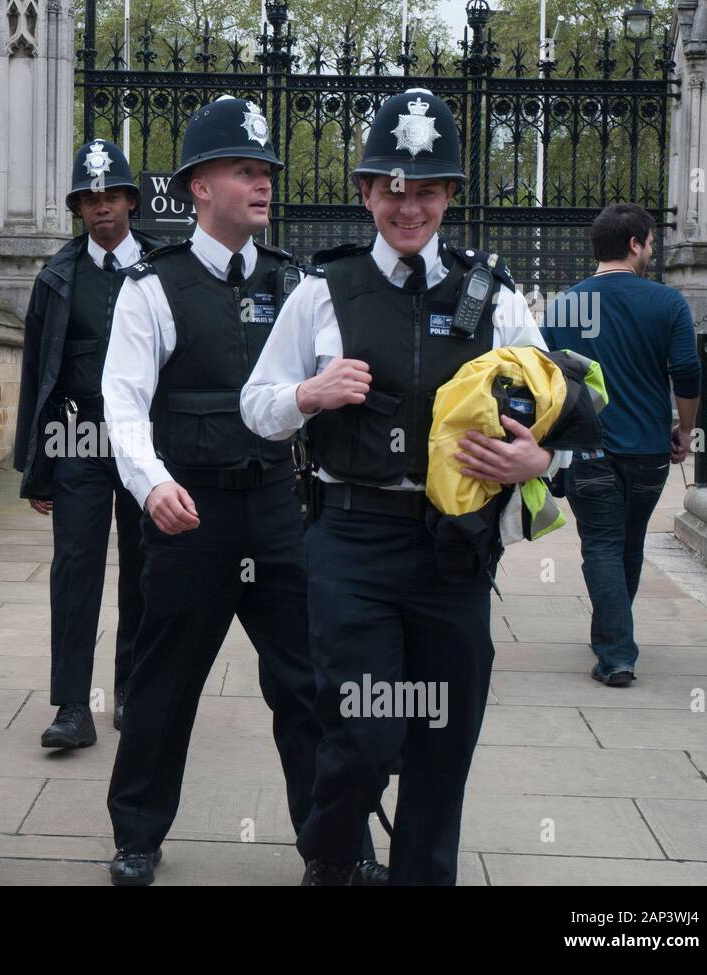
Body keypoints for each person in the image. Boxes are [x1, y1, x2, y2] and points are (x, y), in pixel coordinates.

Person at [241, 87, 568, 885]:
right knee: (364, 735)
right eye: (392, 188)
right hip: (350, 539)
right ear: (365, 192)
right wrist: (307, 396)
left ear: (449, 195)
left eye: (425, 190)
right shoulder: (323, 291)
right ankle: (330, 848)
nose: (407, 206)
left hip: (455, 550)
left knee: (442, 743)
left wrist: (539, 465)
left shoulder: (494, 297)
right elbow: (257, 406)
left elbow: (557, 408)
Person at [102, 96, 379, 886]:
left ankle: (331, 843)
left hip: (276, 506)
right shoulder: (152, 286)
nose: (261, 184)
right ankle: (136, 835)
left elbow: (334, 381)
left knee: (307, 681)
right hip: (190, 514)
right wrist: (151, 483)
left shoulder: (298, 282)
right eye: (244, 170)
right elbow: (120, 402)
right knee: (164, 683)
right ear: (199, 186)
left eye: (265, 171)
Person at [14, 140, 164, 746]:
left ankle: (131, 690)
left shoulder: (161, 268)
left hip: (144, 443)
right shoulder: (56, 277)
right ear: (79, 207)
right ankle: (73, 706)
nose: (102, 208)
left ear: (130, 200)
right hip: (77, 437)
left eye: (111, 196)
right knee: (74, 571)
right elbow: (36, 373)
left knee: (145, 567)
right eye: (90, 199)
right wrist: (37, 466)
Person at [544, 203, 699, 687]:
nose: (652, 250)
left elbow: (544, 378)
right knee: (627, 543)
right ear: (634, 244)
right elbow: (688, 374)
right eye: (651, 242)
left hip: (588, 447)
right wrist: (686, 432)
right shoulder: (668, 303)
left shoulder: (565, 305)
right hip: (650, 450)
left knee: (603, 545)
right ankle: (615, 642)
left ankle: (614, 648)